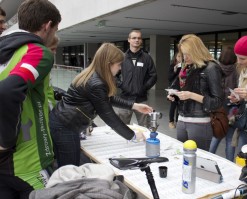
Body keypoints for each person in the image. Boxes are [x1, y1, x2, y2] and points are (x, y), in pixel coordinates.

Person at [50, 43, 153, 167]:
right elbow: (108, 115)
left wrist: (134, 106)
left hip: (63, 122)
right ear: (109, 64)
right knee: (70, 168)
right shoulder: (96, 83)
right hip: (65, 126)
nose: (120, 69)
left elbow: (107, 99)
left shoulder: (93, 75)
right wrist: (132, 136)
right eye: (119, 65)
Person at [0, 0, 61, 198]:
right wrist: (5, 142)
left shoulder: (4, 51)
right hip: (28, 163)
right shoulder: (37, 51)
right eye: (55, 28)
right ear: (47, 25)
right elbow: (8, 91)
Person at [168, 34, 223, 151]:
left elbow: (217, 102)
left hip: (200, 121)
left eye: (188, 54)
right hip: (182, 119)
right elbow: (185, 91)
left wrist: (192, 95)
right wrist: (176, 96)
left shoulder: (211, 68)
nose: (185, 58)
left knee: (198, 160)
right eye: (183, 54)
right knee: (182, 157)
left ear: (197, 51)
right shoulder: (187, 67)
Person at [116, 29, 157, 127]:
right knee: (122, 127)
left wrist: (144, 87)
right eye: (134, 38)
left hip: (141, 99)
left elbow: (153, 75)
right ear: (129, 40)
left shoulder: (147, 58)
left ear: (141, 40)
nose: (137, 40)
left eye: (139, 38)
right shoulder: (122, 57)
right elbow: (113, 75)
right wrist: (122, 85)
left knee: (145, 128)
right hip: (125, 99)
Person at [209, 46, 239, 161]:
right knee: (230, 139)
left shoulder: (215, 68)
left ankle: (208, 159)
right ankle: (230, 163)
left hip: (218, 107)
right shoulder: (237, 71)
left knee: (217, 134)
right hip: (233, 108)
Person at [168, 52, 182, 128]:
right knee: (173, 105)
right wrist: (174, 70)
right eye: (178, 56)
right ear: (175, 57)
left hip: (182, 89)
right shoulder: (172, 66)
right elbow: (169, 78)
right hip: (174, 89)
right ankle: (171, 121)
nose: (180, 58)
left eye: (181, 56)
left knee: (180, 106)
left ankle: (178, 121)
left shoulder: (185, 66)